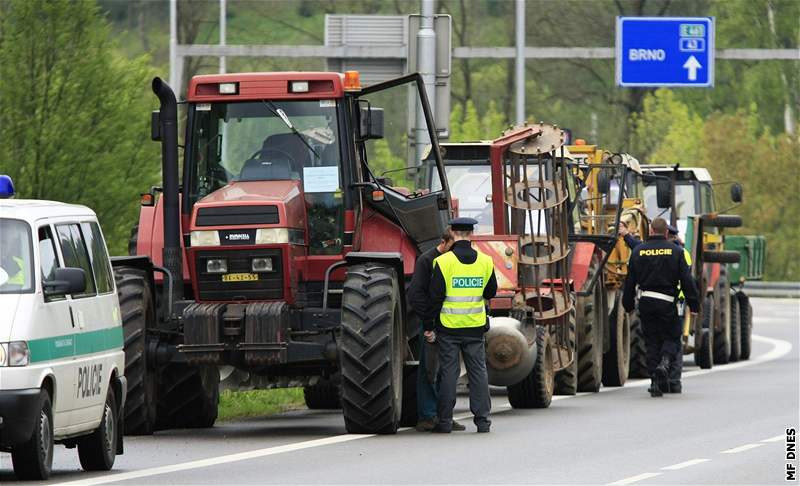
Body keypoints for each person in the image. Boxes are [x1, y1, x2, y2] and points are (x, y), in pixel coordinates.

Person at [427, 217, 498, 432]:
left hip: (449, 328)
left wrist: (429, 326)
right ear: (471, 234)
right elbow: (490, 292)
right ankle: (483, 421)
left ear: (453, 233)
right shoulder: (486, 261)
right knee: (478, 372)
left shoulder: (442, 262)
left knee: (449, 373)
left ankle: (445, 421)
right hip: (475, 327)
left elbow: (435, 297)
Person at [622, 217, 699, 397]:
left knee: (651, 342)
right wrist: (694, 304)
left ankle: (655, 383)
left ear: (650, 231)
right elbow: (687, 281)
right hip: (668, 302)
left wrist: (628, 305)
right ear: (666, 233)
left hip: (646, 302)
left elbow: (630, 282)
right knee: (672, 337)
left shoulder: (638, 252)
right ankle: (665, 362)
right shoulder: (676, 252)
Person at [407, 232, 465, 432]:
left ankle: (444, 415)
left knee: (448, 371)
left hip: (451, 323)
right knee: (430, 370)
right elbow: (415, 294)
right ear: (443, 242)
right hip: (433, 323)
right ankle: (428, 415)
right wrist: (428, 322)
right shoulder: (426, 261)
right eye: (453, 245)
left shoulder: (453, 260)